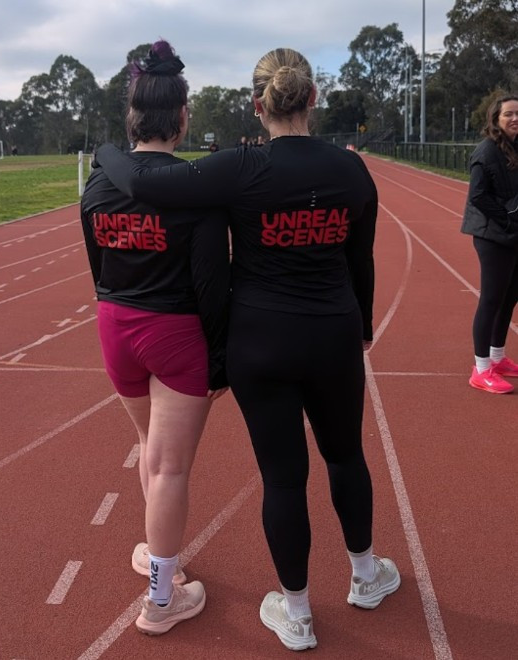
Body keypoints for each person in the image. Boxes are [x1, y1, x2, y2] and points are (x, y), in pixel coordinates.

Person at [95, 47, 400, 652]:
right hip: (333, 332)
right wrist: (363, 325)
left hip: (258, 341)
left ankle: (297, 614)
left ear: (257, 105)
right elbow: (359, 258)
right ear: (313, 97)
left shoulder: (239, 166)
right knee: (346, 456)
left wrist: (105, 151)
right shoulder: (351, 170)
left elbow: (144, 179)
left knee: (283, 480)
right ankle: (366, 575)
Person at [80, 40, 230, 635]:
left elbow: (96, 265)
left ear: (132, 116)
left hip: (115, 325)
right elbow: (212, 284)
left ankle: (155, 553)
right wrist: (221, 362)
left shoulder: (98, 185)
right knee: (170, 467)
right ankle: (162, 601)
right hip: (176, 332)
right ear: (183, 118)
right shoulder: (194, 189)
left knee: (149, 446)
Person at [461, 93, 518, 394]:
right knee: (492, 299)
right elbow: (478, 195)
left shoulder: (515, 147)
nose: (515, 118)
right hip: (491, 235)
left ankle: (497, 358)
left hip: (512, 234)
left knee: (510, 297)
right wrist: (507, 218)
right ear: (496, 118)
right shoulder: (486, 151)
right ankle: (481, 369)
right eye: (509, 114)